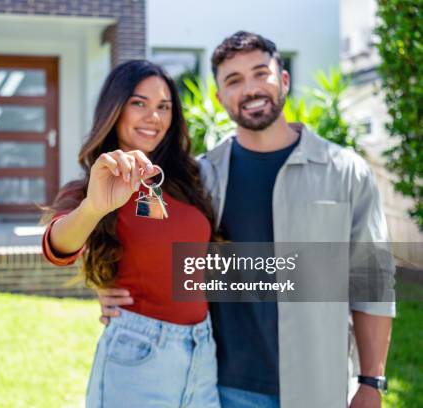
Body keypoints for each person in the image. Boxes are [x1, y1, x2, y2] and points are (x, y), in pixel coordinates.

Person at [98, 31, 395, 408]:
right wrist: (110, 289)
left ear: (284, 80)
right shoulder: (198, 178)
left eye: (261, 74)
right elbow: (146, 242)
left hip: (319, 386)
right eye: (234, 81)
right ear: (220, 97)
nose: (250, 89)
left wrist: (371, 382)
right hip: (220, 386)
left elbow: (373, 284)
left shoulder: (346, 171)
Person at [42, 60, 221, 407]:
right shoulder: (92, 187)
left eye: (163, 107)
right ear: (115, 108)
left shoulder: (189, 180)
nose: (153, 117)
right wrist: (94, 207)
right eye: (139, 103)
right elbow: (57, 247)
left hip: (203, 351)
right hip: (140, 354)